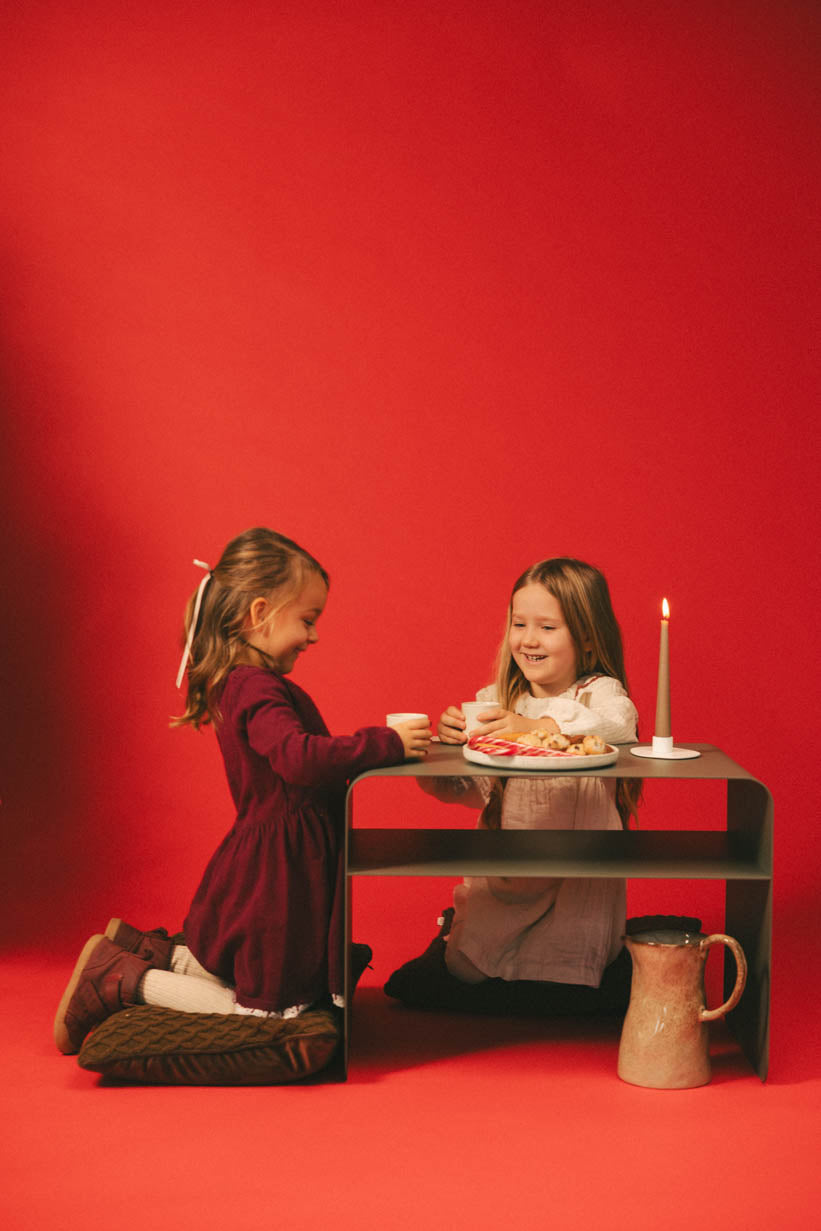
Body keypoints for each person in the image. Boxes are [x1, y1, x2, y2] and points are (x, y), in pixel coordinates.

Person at [55, 527, 431, 1054]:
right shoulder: (255, 685)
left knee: (257, 975)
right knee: (265, 1010)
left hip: (283, 858)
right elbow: (298, 759)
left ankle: (143, 951)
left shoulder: (246, 680)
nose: (314, 636)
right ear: (259, 614)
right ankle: (123, 979)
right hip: (279, 870)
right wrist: (385, 743)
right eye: (308, 620)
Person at [384, 556, 640, 1015]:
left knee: (573, 982)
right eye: (519, 624)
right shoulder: (495, 700)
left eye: (547, 627)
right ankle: (455, 934)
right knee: (465, 970)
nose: (527, 639)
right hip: (510, 867)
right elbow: (470, 788)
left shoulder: (599, 693)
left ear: (585, 636)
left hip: (577, 874)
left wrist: (531, 725)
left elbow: (617, 728)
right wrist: (441, 754)